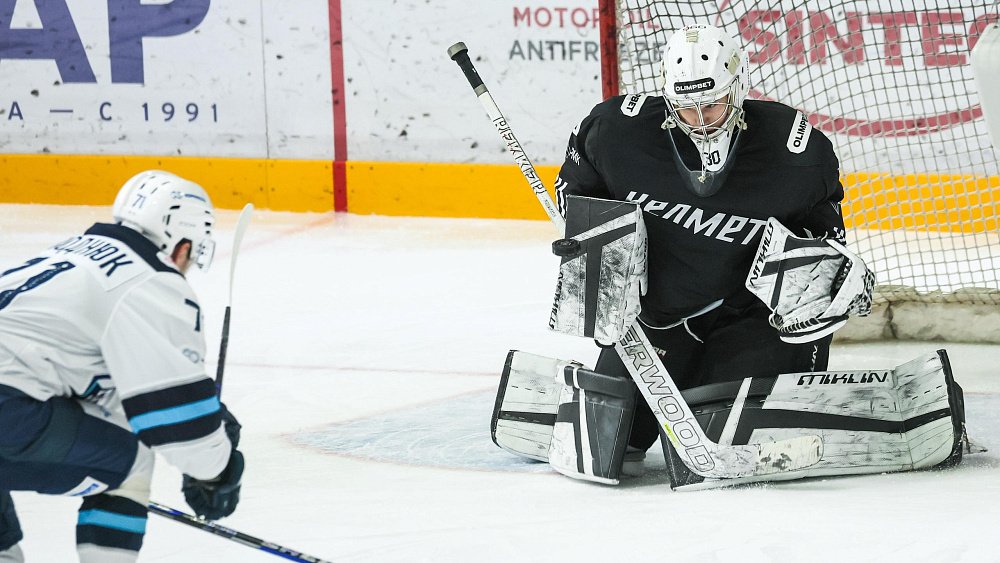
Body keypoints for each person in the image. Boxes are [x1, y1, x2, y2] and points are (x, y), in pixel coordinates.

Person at [553, 23, 851, 459]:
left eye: (712, 105)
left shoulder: (795, 151)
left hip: (751, 317)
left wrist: (819, 283)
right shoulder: (617, 132)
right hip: (659, 316)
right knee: (614, 443)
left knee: (724, 439)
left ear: (739, 86)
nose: (700, 121)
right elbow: (575, 191)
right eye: (686, 108)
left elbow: (826, 238)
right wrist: (591, 241)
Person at [0, 170, 244, 562]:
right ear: (181, 245)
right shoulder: (149, 280)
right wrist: (217, 468)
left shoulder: (69, 253)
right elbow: (173, 423)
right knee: (131, 462)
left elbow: (102, 386)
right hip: (7, 411)